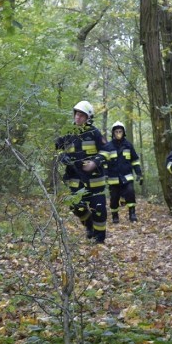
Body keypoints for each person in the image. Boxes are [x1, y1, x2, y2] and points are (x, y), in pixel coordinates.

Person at [55, 101, 110, 243]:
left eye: (81, 115)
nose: (77, 117)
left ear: (88, 117)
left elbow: (108, 151)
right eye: (76, 114)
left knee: (99, 209)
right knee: (76, 206)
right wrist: (62, 156)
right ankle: (89, 225)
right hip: (75, 178)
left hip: (95, 180)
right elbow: (54, 149)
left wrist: (95, 162)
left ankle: (99, 239)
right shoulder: (68, 133)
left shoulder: (95, 133)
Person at [105, 121, 143, 224]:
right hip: (113, 178)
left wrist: (139, 173)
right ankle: (115, 216)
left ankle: (132, 213)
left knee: (130, 192)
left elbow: (135, 160)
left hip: (127, 176)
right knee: (114, 198)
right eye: (116, 131)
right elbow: (104, 163)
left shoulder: (128, 145)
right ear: (113, 133)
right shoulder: (108, 146)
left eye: (120, 131)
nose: (118, 133)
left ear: (123, 132)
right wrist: (104, 175)